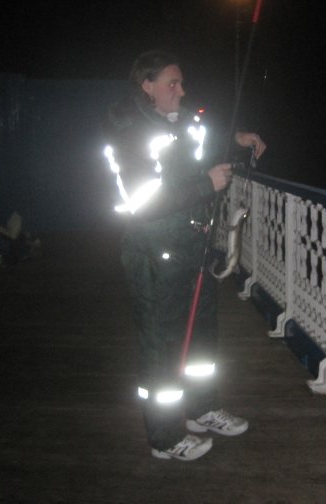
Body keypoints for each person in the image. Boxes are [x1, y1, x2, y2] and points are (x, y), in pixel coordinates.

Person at [103, 50, 266, 462]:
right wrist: (205, 186)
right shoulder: (129, 131)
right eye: (172, 83)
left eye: (181, 82)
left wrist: (238, 139)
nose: (182, 90)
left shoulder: (182, 121)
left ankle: (201, 408)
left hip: (193, 247)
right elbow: (139, 201)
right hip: (154, 253)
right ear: (147, 85)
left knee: (200, 337)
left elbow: (204, 144)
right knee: (162, 347)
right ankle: (164, 437)